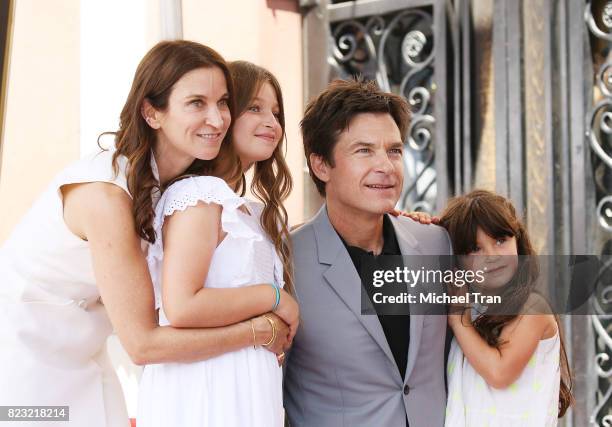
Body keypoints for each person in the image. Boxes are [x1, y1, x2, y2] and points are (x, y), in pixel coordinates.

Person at [0, 41, 285, 427]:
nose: (218, 119)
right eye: (196, 103)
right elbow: (144, 343)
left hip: (87, 355)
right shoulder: (105, 194)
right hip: (23, 363)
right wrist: (260, 329)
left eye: (223, 103)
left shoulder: (172, 189)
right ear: (151, 112)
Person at [283, 78, 452, 427]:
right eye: (364, 150)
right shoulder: (285, 261)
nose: (386, 166)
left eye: (394, 150)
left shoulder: (437, 243)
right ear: (321, 165)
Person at [137, 61, 297, 427]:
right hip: (207, 389)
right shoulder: (198, 194)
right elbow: (182, 305)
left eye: (276, 112)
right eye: (255, 108)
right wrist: (274, 297)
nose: (272, 123)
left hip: (245, 385)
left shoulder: (245, 209)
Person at [439, 190, 573, 426]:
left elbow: (499, 373)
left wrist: (459, 320)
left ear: (518, 242)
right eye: (475, 249)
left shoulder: (532, 308)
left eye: (500, 241)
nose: (491, 256)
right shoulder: (479, 313)